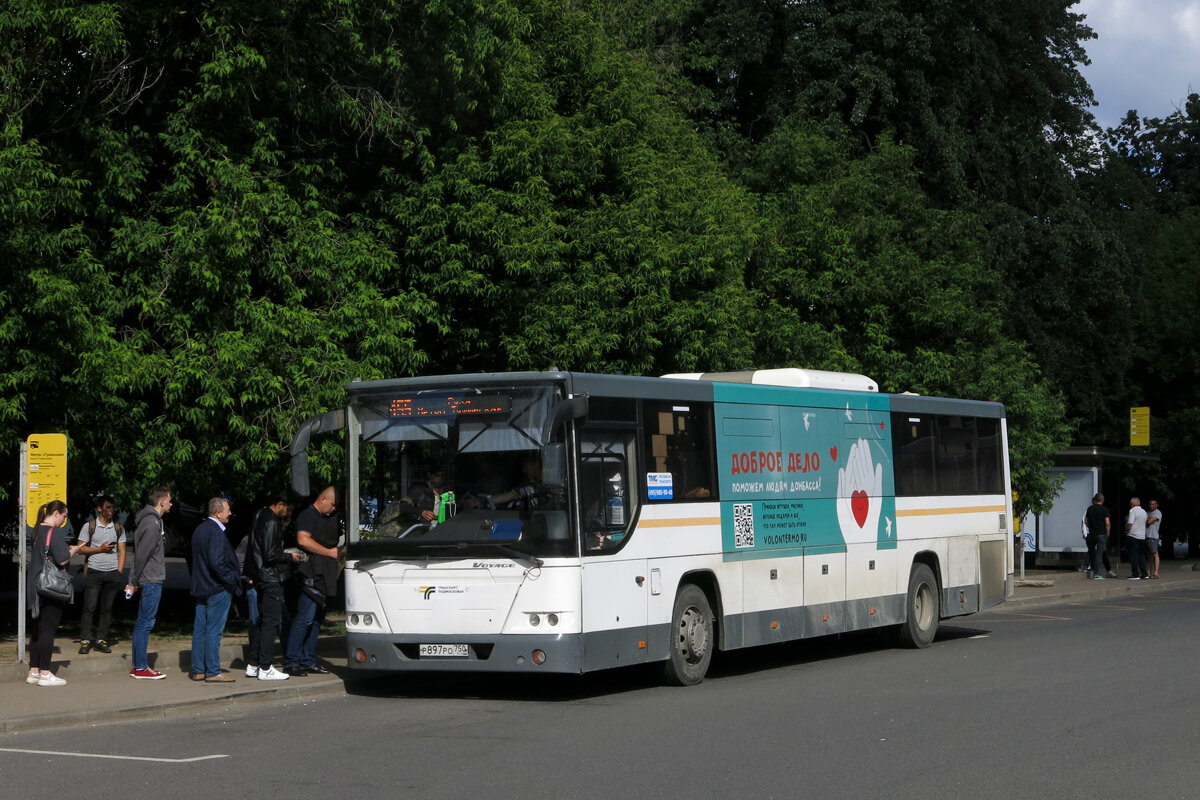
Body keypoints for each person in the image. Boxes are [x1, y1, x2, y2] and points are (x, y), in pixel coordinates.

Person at [285, 486, 341, 677]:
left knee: (316, 620)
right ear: (323, 499)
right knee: (305, 619)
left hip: (324, 574)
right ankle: (292, 661)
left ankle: (307, 660)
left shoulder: (324, 518)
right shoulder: (308, 515)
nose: (333, 509)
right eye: (332, 504)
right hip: (311, 574)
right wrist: (330, 552)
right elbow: (303, 540)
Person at [26, 501, 81, 686]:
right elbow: (62, 559)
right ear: (56, 513)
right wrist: (73, 550)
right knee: (48, 631)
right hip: (50, 588)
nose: (64, 520)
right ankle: (45, 673)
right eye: (64, 516)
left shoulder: (37, 530)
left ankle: (33, 671)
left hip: (34, 585)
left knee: (36, 630)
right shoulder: (54, 532)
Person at [245, 493, 298, 680]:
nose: (288, 513)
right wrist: (290, 557)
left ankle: (253, 663)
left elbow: (254, 550)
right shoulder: (271, 521)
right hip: (270, 577)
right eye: (287, 509)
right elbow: (270, 554)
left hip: (260, 576)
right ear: (280, 505)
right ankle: (266, 667)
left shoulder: (259, 515)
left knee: (262, 621)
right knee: (271, 622)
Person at [189, 497, 243, 682]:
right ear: (218, 513)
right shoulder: (214, 532)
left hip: (202, 587)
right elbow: (217, 563)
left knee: (201, 630)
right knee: (213, 630)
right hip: (216, 588)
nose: (230, 513)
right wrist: (231, 581)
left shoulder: (200, 529)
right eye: (227, 510)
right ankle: (212, 671)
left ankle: (198, 669)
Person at [125, 486, 173, 679]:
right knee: (145, 623)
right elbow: (142, 555)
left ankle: (138, 666)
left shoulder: (150, 521)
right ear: (161, 502)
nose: (171, 504)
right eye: (169, 500)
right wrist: (133, 581)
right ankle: (141, 667)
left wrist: (134, 580)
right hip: (151, 579)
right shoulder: (152, 523)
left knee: (142, 622)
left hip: (149, 578)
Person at [76, 496, 126, 654]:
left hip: (112, 573)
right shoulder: (89, 527)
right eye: (108, 507)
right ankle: (85, 640)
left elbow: (122, 551)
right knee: (89, 607)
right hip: (94, 572)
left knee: (107, 609)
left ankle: (101, 639)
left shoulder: (118, 528)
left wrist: (118, 571)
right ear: (100, 509)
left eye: (113, 508)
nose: (111, 511)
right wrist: (99, 549)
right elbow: (80, 548)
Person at [1084, 493, 1114, 580]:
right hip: (1101, 534)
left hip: (1092, 533)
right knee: (1099, 553)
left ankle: (1091, 567)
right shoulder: (1104, 510)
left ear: (1095, 500)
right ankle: (1096, 573)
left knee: (1091, 551)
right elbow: (1107, 523)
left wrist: (1091, 528)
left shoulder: (1090, 508)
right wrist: (1107, 534)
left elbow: (1086, 521)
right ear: (1102, 500)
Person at [1125, 496, 1149, 580]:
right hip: (1142, 536)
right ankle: (1144, 573)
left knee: (1133, 556)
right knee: (1142, 556)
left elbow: (1130, 523)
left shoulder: (1132, 511)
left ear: (1132, 504)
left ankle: (1135, 574)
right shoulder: (1144, 512)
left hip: (1133, 536)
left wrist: (1127, 532)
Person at [1146, 499, 1163, 579]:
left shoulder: (1157, 513)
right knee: (1149, 555)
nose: (1151, 506)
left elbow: (1149, 521)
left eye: (1153, 504)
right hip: (1147, 536)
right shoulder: (1148, 513)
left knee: (1155, 553)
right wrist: (1148, 520)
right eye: (1150, 504)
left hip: (1153, 536)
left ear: (1156, 505)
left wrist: (1149, 520)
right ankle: (1148, 572)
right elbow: (1147, 521)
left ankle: (1156, 572)